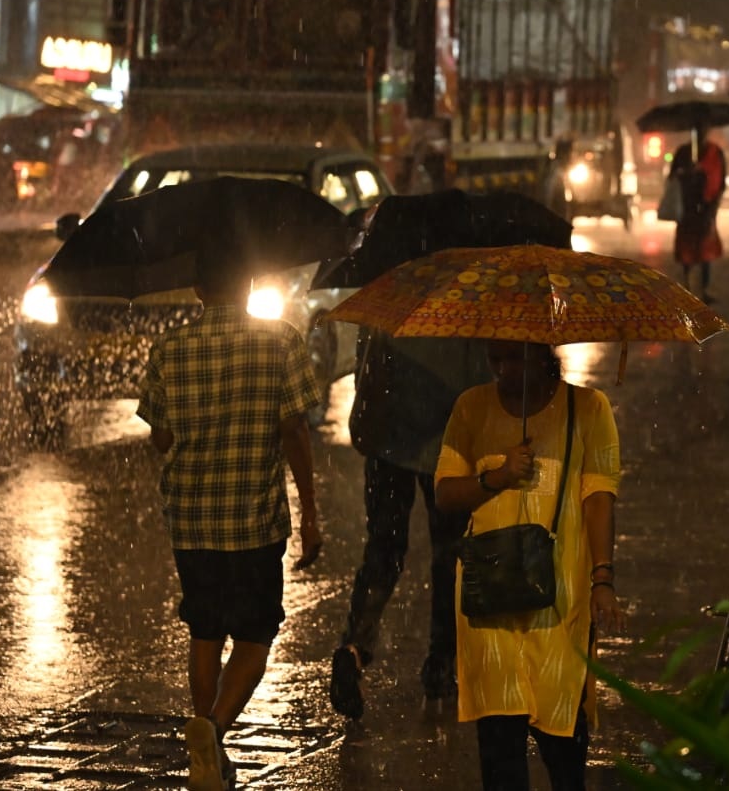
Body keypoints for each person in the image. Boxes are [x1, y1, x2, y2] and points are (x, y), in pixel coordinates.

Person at [136, 243, 323, 791]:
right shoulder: (281, 340)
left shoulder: (169, 348)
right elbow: (295, 431)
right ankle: (212, 732)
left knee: (205, 628)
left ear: (198, 290)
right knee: (256, 636)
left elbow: (162, 436)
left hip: (191, 520)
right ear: (247, 289)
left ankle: (205, 763)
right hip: (253, 521)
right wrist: (310, 512)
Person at [434, 340, 626, 791]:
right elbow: (445, 493)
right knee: (499, 750)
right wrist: (497, 478)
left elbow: (598, 497)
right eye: (494, 357)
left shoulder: (589, 408)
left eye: (514, 357)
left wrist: (603, 578)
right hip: (490, 599)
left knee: (563, 747)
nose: (503, 369)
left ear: (544, 355)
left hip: (560, 600)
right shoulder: (471, 406)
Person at [328, 330, 492, 719]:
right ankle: (440, 664)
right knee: (449, 556)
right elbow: (480, 384)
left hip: (387, 447)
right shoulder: (465, 314)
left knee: (383, 549)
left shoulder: (392, 306)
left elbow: (364, 371)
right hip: (447, 450)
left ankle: (354, 645)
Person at [667, 126, 726, 303]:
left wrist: (713, 206)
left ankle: (705, 288)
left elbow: (721, 181)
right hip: (688, 208)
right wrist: (686, 173)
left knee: (705, 249)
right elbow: (672, 177)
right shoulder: (684, 153)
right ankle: (687, 285)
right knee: (687, 248)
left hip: (707, 207)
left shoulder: (716, 153)